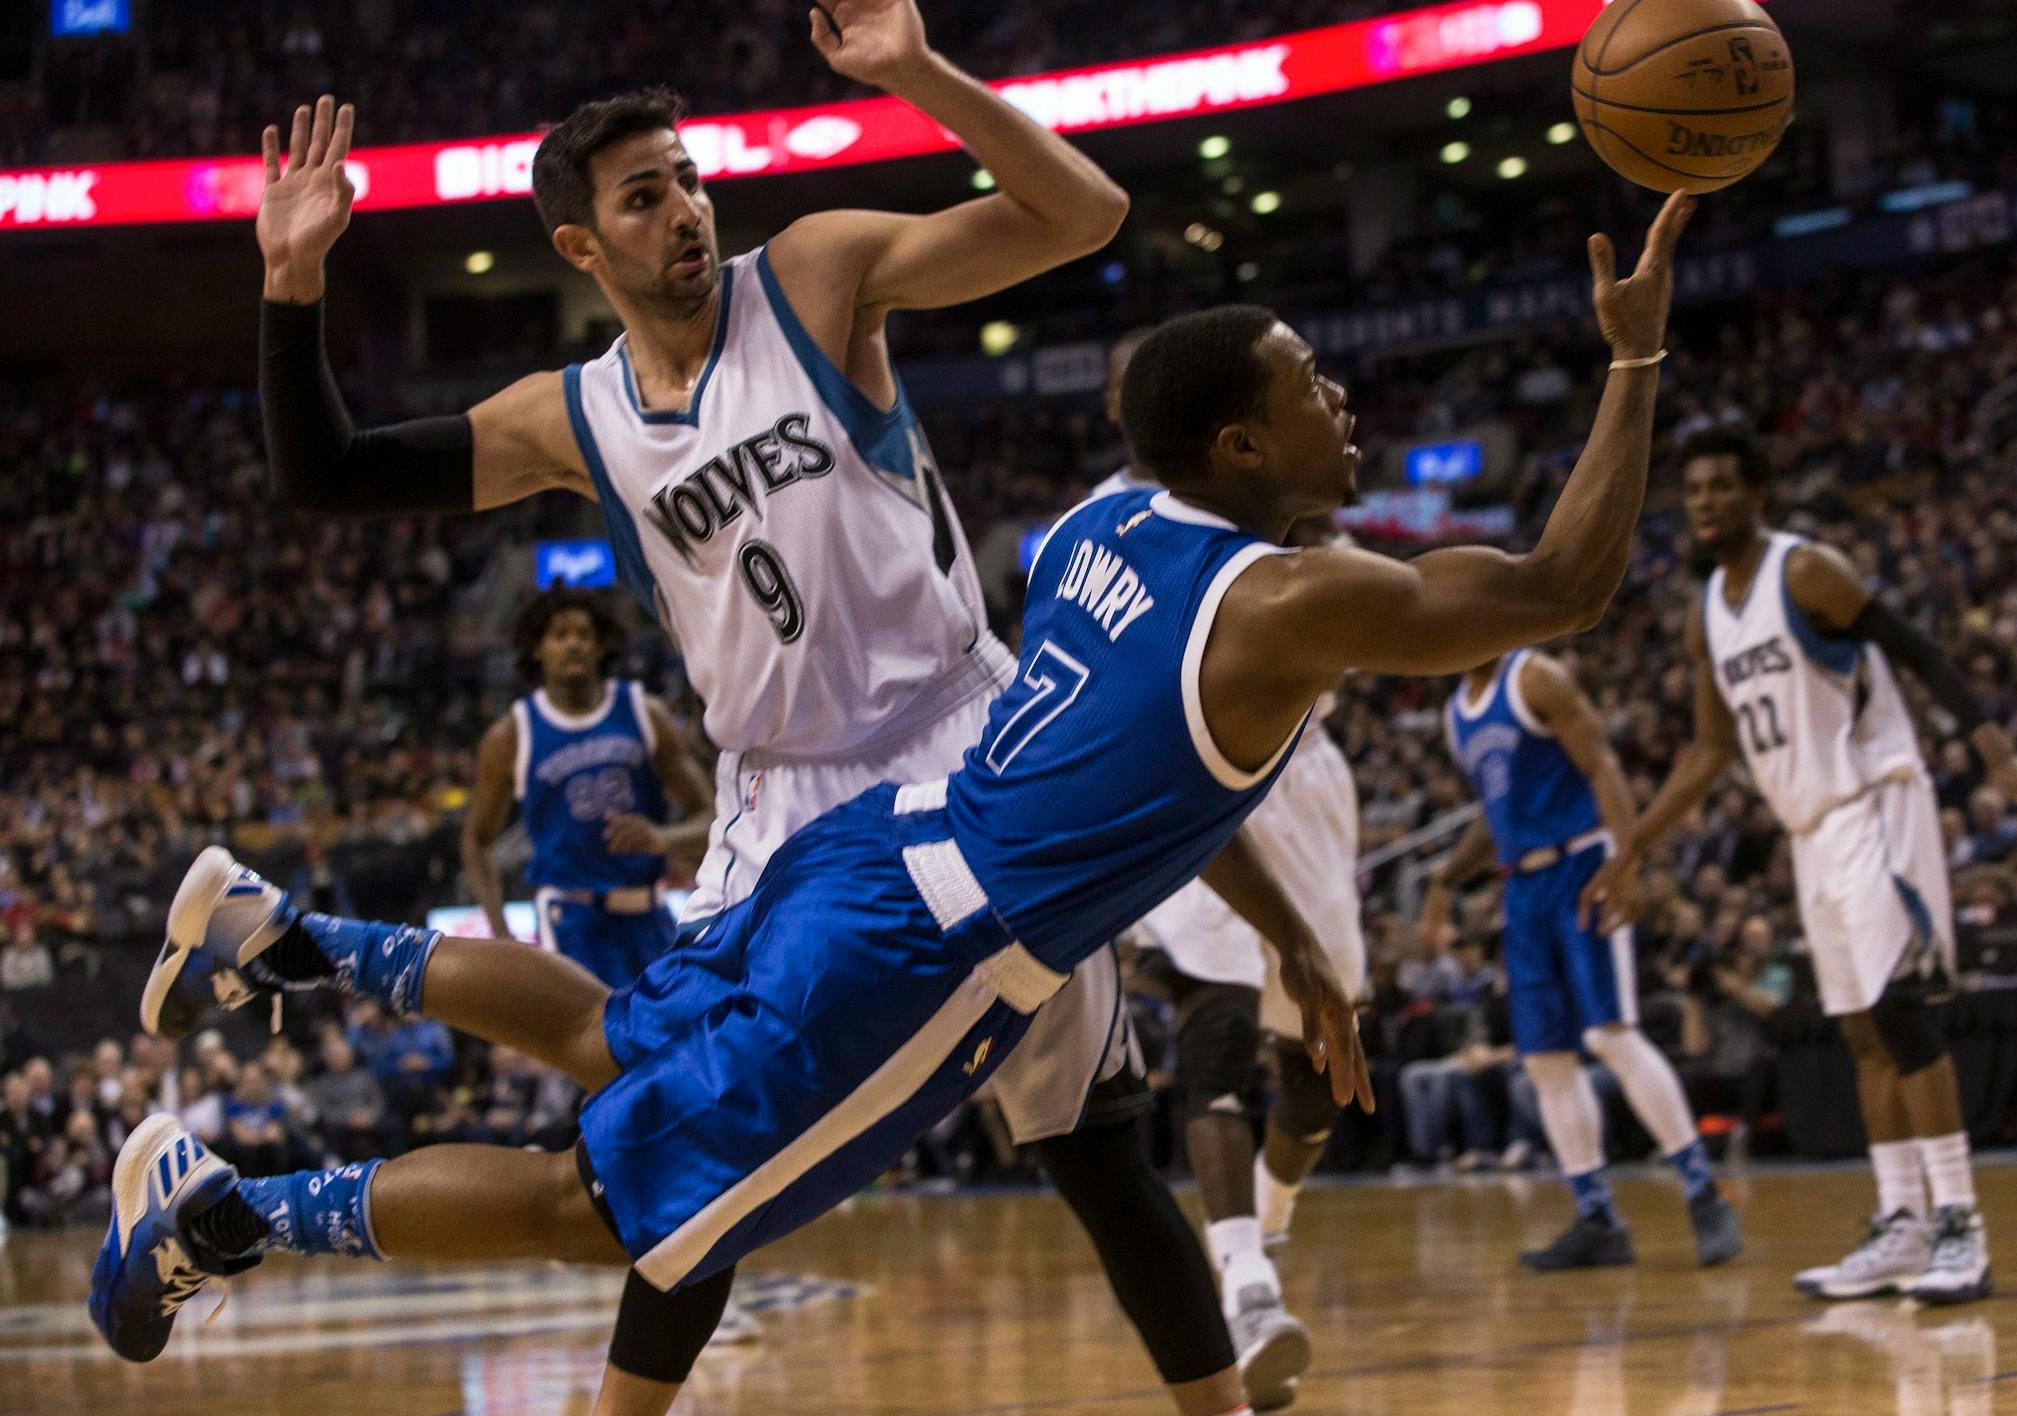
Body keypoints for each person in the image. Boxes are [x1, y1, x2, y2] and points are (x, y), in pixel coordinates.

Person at [95, 192, 1697, 1396]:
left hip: (866, 846)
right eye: (1307, 385)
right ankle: (229, 1215)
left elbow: (1175, 794)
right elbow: (1563, 581)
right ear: (1233, 440)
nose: (1338, 403)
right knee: (621, 1208)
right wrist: (1632, 352)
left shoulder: (1094, 523)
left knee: (625, 1056)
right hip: (923, 946)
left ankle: (286, 937)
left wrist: (1284, 937)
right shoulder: (1290, 603)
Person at [205, 0, 1290, 1409]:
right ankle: (309, 970)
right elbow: (323, 474)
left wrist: (919, 70)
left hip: (964, 751)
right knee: (679, 1136)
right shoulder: (571, 414)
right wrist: (293, 283)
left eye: (692, 181)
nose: (688, 213)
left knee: (1090, 1133)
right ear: (582, 243)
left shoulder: (818, 274)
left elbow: (1080, 216)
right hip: (780, 798)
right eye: (646, 198)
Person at [1586, 427, 2017, 1305]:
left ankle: (1962, 1223)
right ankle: (1902, 1222)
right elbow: (1705, 752)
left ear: (1759, 493)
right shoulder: (1707, 614)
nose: (1704, 502)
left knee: (1903, 1013)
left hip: (1876, 798)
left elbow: (1919, 650)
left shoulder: (1807, 572)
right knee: (1858, 1028)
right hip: (1810, 829)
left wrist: (1994, 756)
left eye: (1724, 486)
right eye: (1693, 489)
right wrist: (1634, 849)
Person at [1092, 337, 1367, 1407]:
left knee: (1317, 1076)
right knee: (1211, 1034)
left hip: (1302, 784)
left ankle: (1268, 1223)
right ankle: (1247, 1282)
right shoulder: (1108, 524)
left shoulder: (1267, 483)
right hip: (1188, 774)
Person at [1429, 648, 1742, 1271]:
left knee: (1610, 1036)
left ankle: (1705, 1194)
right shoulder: (1454, 713)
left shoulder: (1536, 678)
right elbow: (1497, 817)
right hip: (1521, 887)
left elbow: (1602, 765)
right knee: (1544, 1060)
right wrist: (1444, 880)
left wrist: (1626, 861)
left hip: (1581, 865)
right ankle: (1597, 1216)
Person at [459, 589, 712, 989]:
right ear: (538, 648)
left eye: (584, 634)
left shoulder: (645, 714)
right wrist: (501, 932)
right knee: (594, 1043)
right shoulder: (511, 734)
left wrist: (662, 837)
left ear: (600, 646)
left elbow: (712, 819)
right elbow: (477, 841)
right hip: (571, 919)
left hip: (649, 911)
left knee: (672, 1041)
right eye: (560, 634)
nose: (574, 643)